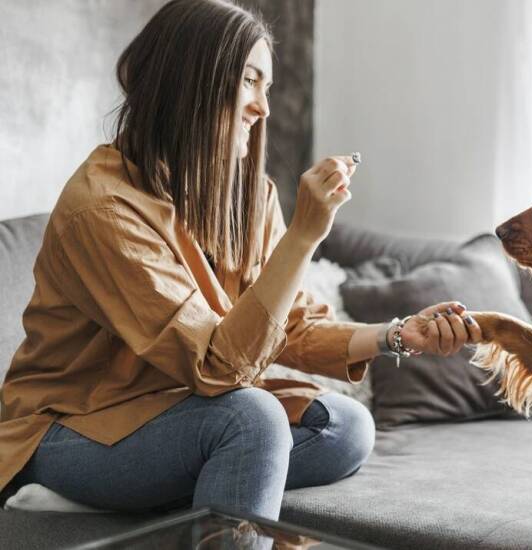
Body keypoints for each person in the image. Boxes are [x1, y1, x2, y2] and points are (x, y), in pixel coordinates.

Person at [0, 0, 482, 521]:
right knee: (253, 419)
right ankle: (90, 489)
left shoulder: (248, 196)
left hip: (181, 409)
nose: (263, 108)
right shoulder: (103, 209)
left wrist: (398, 335)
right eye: (250, 81)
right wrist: (304, 236)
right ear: (189, 81)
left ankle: (165, 493)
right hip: (72, 426)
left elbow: (290, 325)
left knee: (345, 427)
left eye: (267, 86)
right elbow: (218, 367)